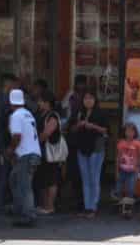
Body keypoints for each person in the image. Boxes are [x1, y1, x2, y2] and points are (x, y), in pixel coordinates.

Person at [70, 91, 109, 218]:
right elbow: (71, 129)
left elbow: (106, 130)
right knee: (85, 179)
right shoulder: (79, 112)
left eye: (91, 98)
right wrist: (79, 124)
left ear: (95, 100)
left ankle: (93, 207)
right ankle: (87, 207)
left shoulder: (100, 113)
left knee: (94, 178)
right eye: (86, 98)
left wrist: (93, 126)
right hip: (82, 148)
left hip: (96, 148)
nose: (88, 100)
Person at [8, 88, 41, 228]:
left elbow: (17, 136)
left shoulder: (16, 116)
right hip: (33, 153)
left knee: (24, 185)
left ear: (11, 102)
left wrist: (11, 150)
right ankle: (18, 208)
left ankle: (28, 215)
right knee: (14, 179)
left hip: (26, 155)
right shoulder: (28, 114)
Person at [0, 73, 19, 211]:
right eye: (14, 85)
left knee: (5, 172)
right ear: (9, 84)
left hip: (1, 140)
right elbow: (7, 124)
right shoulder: (5, 102)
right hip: (5, 142)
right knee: (5, 172)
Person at [61, 75, 88, 211]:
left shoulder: (76, 98)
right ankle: (78, 200)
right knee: (76, 171)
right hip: (75, 140)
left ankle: (78, 200)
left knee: (75, 171)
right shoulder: (73, 96)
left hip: (76, 140)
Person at [35, 92, 63, 215]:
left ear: (47, 103)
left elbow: (47, 133)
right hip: (42, 150)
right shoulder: (41, 114)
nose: (39, 103)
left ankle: (50, 206)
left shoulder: (52, 116)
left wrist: (36, 141)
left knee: (51, 179)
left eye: (41, 101)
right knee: (43, 178)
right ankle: (44, 205)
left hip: (50, 151)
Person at [113, 122, 140, 218]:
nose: (130, 133)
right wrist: (116, 171)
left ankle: (128, 209)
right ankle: (120, 205)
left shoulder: (138, 143)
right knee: (118, 190)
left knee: (130, 190)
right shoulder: (121, 143)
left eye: (132, 131)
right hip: (122, 171)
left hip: (132, 172)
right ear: (124, 132)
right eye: (128, 131)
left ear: (135, 132)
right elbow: (118, 158)